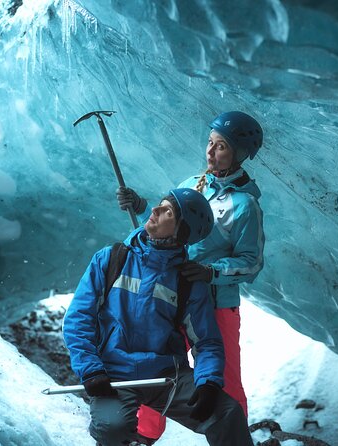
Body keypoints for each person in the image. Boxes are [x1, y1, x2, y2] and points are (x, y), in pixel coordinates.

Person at [117, 111, 265, 443]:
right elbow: (165, 222)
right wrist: (140, 205)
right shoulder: (190, 184)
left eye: (222, 147)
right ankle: (143, 435)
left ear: (239, 154)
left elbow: (251, 263)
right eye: (211, 143)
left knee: (223, 380)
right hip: (171, 296)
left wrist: (210, 273)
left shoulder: (245, 206)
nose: (211, 152)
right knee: (159, 370)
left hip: (216, 305)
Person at [63, 188, 254, 446]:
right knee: (113, 428)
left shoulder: (187, 282)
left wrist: (208, 382)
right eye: (159, 205)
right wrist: (91, 370)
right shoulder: (112, 259)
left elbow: (206, 342)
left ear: (181, 232)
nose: (154, 211)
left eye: (168, 211)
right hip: (113, 375)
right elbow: (78, 319)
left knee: (227, 413)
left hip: (166, 376)